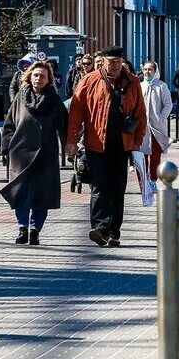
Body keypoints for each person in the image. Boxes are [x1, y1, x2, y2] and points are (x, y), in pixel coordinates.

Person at [67, 45, 148, 248]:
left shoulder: (132, 82)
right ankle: (100, 228)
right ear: (102, 61)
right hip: (96, 144)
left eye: (118, 62)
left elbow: (140, 114)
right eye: (111, 62)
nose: (115, 66)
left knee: (117, 188)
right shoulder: (90, 80)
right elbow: (76, 112)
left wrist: (137, 142)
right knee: (99, 187)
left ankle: (114, 232)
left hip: (122, 144)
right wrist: (71, 140)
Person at [0, 60, 68, 245]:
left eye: (43, 76)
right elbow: (9, 124)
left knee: (41, 194)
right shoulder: (21, 97)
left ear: (48, 80)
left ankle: (35, 230)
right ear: (29, 76)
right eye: (36, 75)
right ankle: (22, 227)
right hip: (20, 152)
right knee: (21, 192)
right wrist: (6, 145)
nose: (39, 78)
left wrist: (69, 147)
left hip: (45, 154)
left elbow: (64, 126)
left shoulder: (53, 100)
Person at [138, 61, 173, 206]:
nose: (147, 72)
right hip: (142, 127)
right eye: (145, 69)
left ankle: (152, 180)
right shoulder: (140, 86)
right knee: (142, 155)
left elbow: (168, 104)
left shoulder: (162, 86)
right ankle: (143, 182)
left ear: (155, 71)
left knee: (155, 154)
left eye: (150, 69)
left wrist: (161, 118)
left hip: (157, 127)